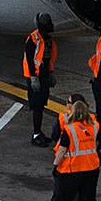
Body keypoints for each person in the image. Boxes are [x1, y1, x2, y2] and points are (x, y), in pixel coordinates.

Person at [48, 98, 101, 201]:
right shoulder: (95, 126)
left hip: (73, 169)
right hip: (92, 167)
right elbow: (95, 144)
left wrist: (55, 165)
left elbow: (62, 150)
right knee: (89, 199)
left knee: (65, 198)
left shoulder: (70, 129)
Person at [22, 13, 58, 146]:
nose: (52, 25)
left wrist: (51, 73)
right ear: (43, 26)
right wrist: (33, 78)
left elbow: (48, 58)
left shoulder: (47, 38)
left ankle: (39, 133)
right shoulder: (33, 39)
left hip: (44, 75)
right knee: (37, 107)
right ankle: (36, 134)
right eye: (49, 23)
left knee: (41, 105)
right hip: (36, 76)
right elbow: (30, 60)